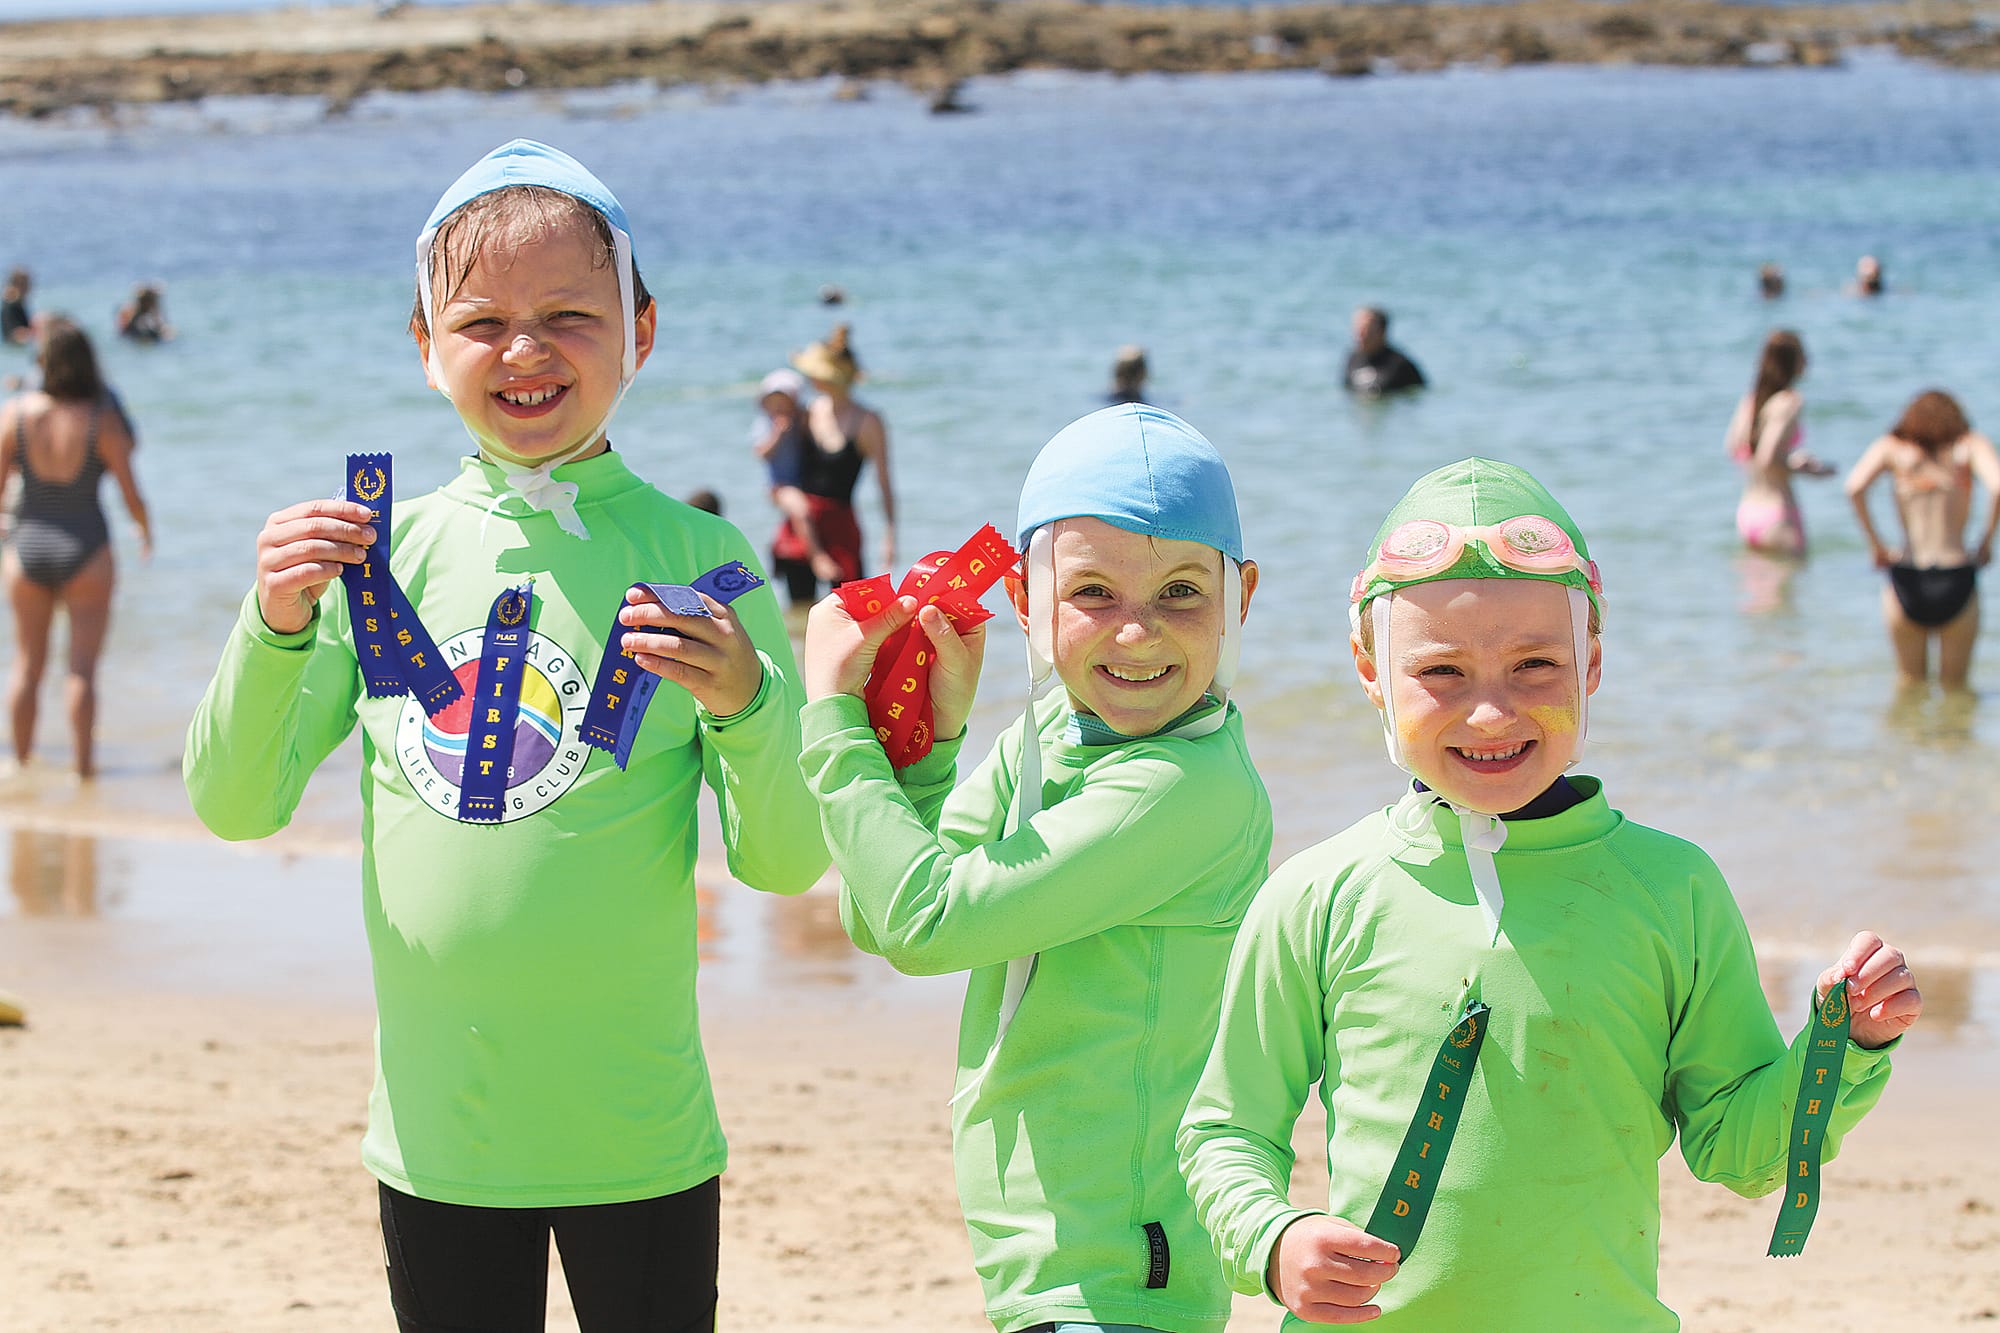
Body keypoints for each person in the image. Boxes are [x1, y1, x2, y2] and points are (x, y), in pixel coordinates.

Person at [182, 139, 828, 1332]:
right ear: (425, 349)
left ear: (641, 331)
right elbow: (234, 803)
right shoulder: (378, 560)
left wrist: (749, 705)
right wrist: (271, 622)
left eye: (569, 316)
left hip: (639, 1134)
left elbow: (786, 862)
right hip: (442, 1136)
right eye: (481, 321)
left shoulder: (709, 566)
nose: (525, 351)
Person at [1179, 457, 1921, 1329]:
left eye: (1534, 664)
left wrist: (1846, 1043)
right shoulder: (1320, 894)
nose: (1491, 715)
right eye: (1442, 673)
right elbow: (1225, 1132)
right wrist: (1273, 1239)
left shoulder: (1672, 890)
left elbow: (1739, 1149)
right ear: (1370, 670)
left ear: (1591, 660)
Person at [800, 402, 1272, 1333]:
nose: (1136, 634)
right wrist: (931, 749)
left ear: (1241, 596)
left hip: (1122, 1279)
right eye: (1093, 593)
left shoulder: (1186, 785)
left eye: (1182, 592)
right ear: (1025, 599)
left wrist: (832, 718)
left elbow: (925, 923)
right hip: (1040, 1264)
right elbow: (877, 911)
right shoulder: (1057, 730)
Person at [0, 317, 150, 779]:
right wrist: (145, 531)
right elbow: (130, 492)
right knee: (81, 670)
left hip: (26, 547)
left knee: (27, 665)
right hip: (86, 548)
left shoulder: (16, 413)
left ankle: (20, 766)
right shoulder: (100, 419)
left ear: (43, 362)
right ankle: (85, 773)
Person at [1844, 389, 2000, 689]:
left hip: (1906, 575)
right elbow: (1996, 487)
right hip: (1957, 574)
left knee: (1909, 685)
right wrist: (1986, 543)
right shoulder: (1968, 446)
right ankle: (1951, 736)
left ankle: (1911, 738)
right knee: (1956, 688)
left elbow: (1854, 487)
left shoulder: (1893, 448)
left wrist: (1876, 546)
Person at [772, 323, 895, 604]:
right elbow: (779, 465)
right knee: (801, 607)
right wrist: (780, 494)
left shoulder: (868, 422)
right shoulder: (806, 413)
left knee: (853, 610)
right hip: (801, 524)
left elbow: (884, 482)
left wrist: (889, 536)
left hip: (842, 526)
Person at [1726, 329, 1834, 556]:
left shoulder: (1752, 400)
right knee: (1790, 589)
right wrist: (1801, 465)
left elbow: (1732, 446)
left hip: (1747, 512)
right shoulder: (1790, 401)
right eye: (1803, 354)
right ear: (1791, 361)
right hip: (1777, 514)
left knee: (1754, 591)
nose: (1808, 360)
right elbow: (1767, 457)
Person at [751, 366, 841, 604]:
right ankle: (817, 557)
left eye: (785, 402)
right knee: (801, 509)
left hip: (802, 482)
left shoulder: (800, 419)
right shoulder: (766, 424)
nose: (780, 408)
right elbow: (761, 452)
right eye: (774, 403)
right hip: (779, 485)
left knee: (803, 506)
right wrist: (778, 433)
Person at [1344, 306, 1425, 396]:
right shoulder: (1353, 358)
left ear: (1382, 331)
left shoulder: (1401, 364)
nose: (1360, 335)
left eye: (1366, 329)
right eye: (1357, 329)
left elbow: (1420, 395)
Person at [2, 268, 35, 346]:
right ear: (17, 285)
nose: (30, 286)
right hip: (15, 348)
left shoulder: (16, 303)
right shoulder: (11, 306)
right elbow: (14, 334)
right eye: (26, 283)